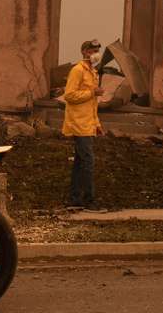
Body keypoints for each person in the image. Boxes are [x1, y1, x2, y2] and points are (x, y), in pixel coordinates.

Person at [62, 39, 104, 211]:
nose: (96, 54)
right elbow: (69, 95)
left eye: (97, 50)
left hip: (87, 123)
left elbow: (92, 104)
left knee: (80, 162)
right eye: (93, 50)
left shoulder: (92, 72)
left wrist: (97, 123)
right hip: (78, 123)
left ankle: (75, 199)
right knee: (87, 162)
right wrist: (91, 92)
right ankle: (89, 200)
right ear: (85, 52)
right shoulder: (78, 70)